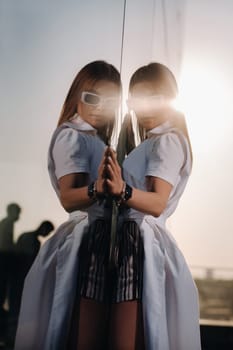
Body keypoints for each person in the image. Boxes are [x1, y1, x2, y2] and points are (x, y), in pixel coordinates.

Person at [14, 60, 124, 350]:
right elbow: (68, 197)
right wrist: (99, 188)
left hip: (100, 238)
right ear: (77, 95)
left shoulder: (94, 138)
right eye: (92, 97)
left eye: (110, 101)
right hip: (85, 241)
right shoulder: (71, 135)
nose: (101, 106)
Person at [107, 62, 201, 349]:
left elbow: (157, 202)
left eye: (154, 99)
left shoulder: (168, 142)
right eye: (137, 100)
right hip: (132, 241)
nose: (144, 109)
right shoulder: (156, 141)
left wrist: (120, 189)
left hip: (137, 244)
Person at [0, 203, 21, 344]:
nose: (19, 215)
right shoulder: (7, 223)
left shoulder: (6, 223)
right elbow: (5, 245)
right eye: (17, 212)